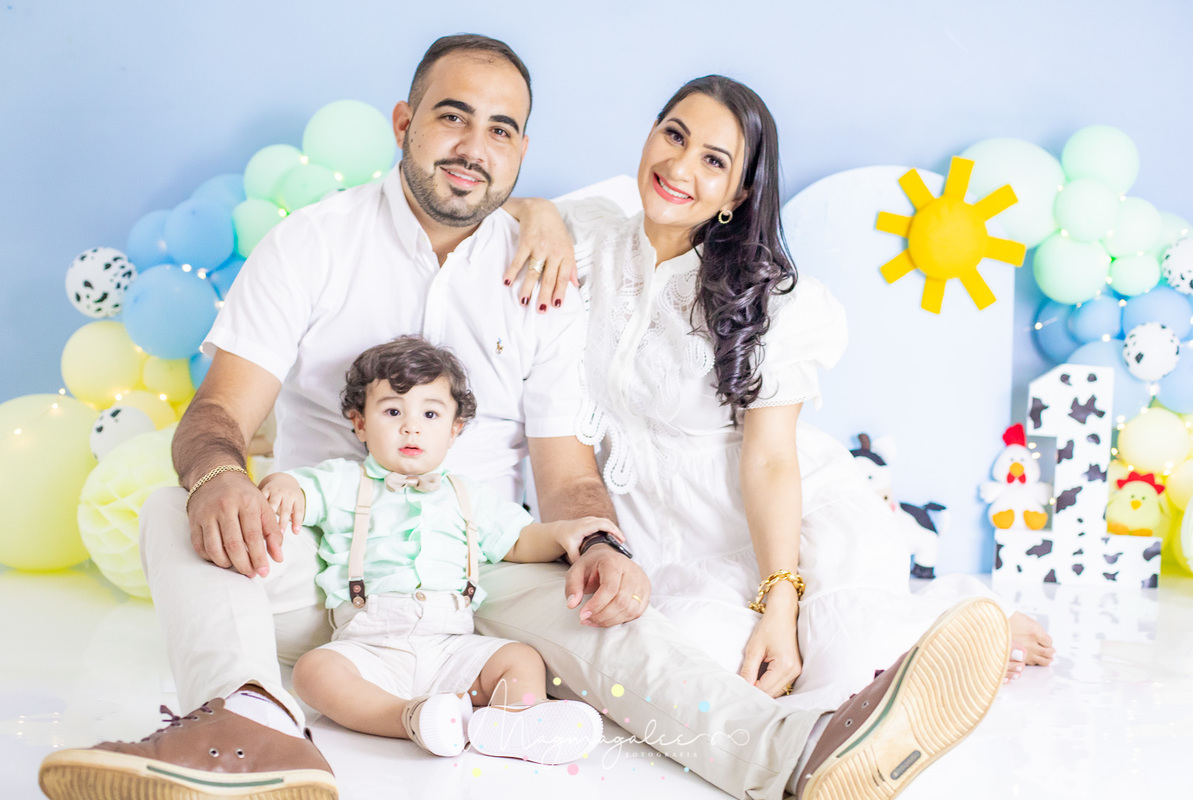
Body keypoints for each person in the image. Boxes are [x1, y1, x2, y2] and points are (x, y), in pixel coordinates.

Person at [38, 37, 1008, 800]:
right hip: (318, 559)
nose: (474, 145)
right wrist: (220, 477)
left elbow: (566, 467)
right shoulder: (313, 245)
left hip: (477, 568)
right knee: (174, 504)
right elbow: (218, 411)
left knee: (602, 600)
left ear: (521, 152)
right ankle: (249, 726)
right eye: (452, 117)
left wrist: (599, 539)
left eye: (501, 129)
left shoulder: (541, 270)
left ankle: (795, 753)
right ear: (404, 123)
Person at [503, 74, 1050, 794]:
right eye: (673, 135)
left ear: (737, 193)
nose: (679, 166)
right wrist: (539, 213)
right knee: (698, 667)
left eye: (713, 160)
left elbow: (768, 462)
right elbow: (491, 207)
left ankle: (954, 630)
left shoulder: (771, 301)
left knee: (843, 649)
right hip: (661, 535)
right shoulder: (591, 237)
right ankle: (857, 699)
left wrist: (780, 602)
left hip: (781, 520)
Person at [270, 336, 607, 762]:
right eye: (393, 411)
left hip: (451, 645)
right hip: (369, 645)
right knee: (314, 672)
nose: (411, 427)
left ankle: (516, 720)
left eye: (430, 414)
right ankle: (407, 717)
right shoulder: (342, 481)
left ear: (454, 429)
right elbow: (300, 488)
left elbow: (519, 539)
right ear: (360, 423)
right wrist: (283, 483)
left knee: (519, 657)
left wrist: (562, 533)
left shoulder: (469, 495)